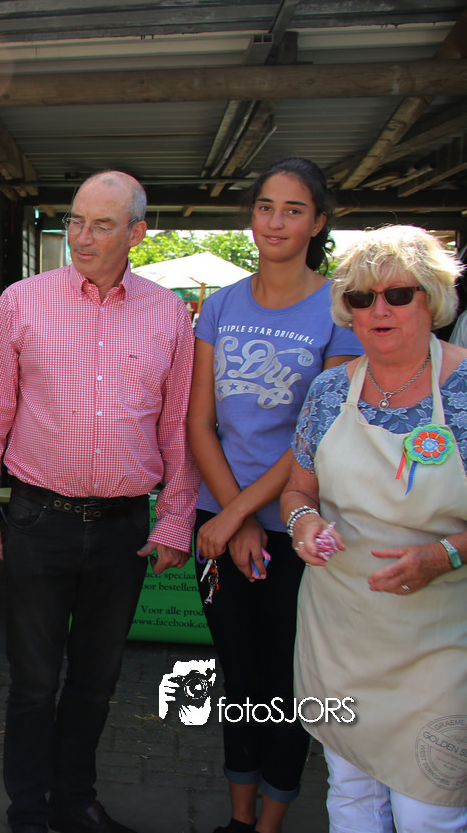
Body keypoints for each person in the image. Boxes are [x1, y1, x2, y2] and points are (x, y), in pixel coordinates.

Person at [0, 171, 200, 833]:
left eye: (102, 224)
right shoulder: (23, 302)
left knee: (96, 680)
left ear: (137, 233)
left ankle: (74, 801)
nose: (81, 237)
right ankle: (27, 812)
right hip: (38, 520)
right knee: (34, 682)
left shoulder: (168, 314)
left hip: (124, 527)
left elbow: (178, 426)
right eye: (75, 221)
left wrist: (177, 517)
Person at [186, 157, 362, 833]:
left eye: (294, 209)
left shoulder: (339, 309)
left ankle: (271, 823)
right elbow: (199, 423)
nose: (276, 221)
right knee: (239, 674)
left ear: (318, 222)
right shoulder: (222, 305)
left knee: (289, 682)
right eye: (266, 206)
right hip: (219, 522)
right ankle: (239, 818)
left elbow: (320, 433)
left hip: (298, 526)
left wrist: (243, 515)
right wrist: (232, 517)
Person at [282, 224, 467, 831]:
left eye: (398, 294)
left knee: (428, 812)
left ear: (432, 299)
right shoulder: (329, 390)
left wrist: (444, 555)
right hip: (339, 634)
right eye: (362, 298)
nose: (378, 310)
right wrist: (304, 523)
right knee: (350, 795)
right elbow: (298, 490)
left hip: (439, 644)